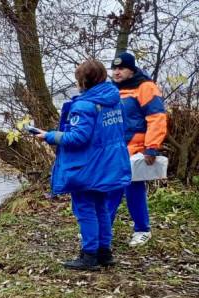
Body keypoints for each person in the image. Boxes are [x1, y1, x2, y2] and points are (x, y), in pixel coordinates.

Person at [33, 59, 131, 271]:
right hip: (108, 164)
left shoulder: (85, 105)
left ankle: (89, 255)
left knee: (85, 209)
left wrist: (49, 136)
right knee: (101, 208)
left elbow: (78, 138)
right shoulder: (114, 100)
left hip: (88, 167)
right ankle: (104, 253)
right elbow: (120, 130)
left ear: (84, 81)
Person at [106, 52, 168, 247]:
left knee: (133, 191)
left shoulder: (145, 87)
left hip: (136, 149)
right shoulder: (111, 90)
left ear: (131, 69)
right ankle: (103, 229)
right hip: (116, 149)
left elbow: (156, 117)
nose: (117, 72)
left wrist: (151, 147)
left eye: (121, 68)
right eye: (114, 68)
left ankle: (142, 230)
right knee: (110, 189)